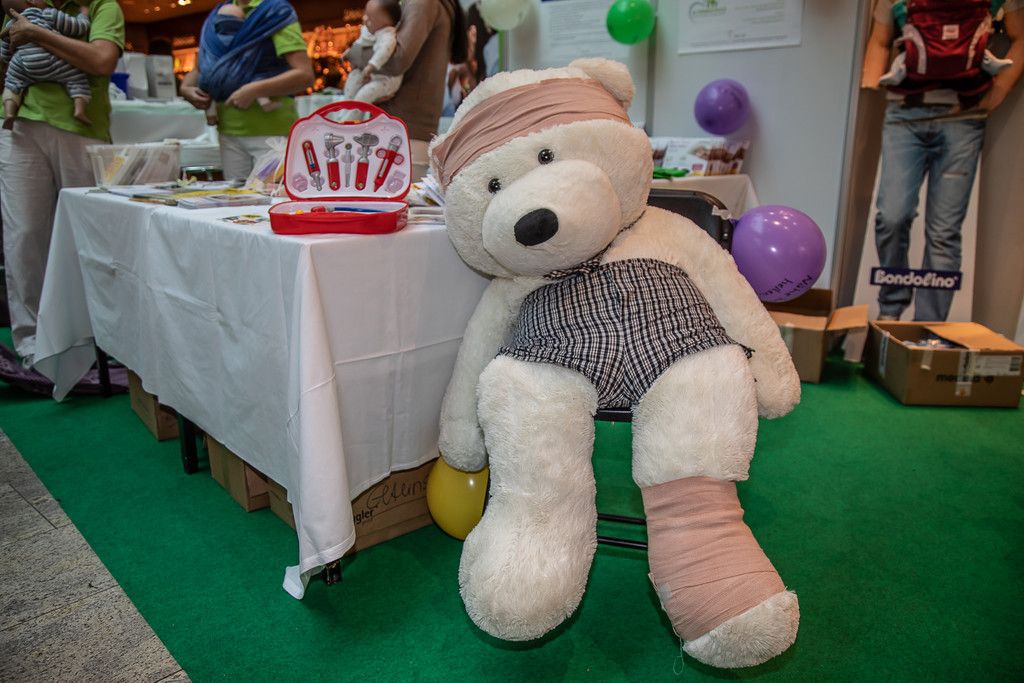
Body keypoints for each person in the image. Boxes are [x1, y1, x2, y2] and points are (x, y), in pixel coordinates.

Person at [862, 0, 1024, 322]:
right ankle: (891, 309)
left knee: (944, 231)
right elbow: (880, 40)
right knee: (892, 216)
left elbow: (1020, 36)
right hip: (905, 113)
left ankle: (928, 327)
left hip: (963, 117)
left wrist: (997, 93)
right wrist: (869, 88)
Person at [0, 0, 124, 366]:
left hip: (81, 129)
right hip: (19, 127)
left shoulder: (101, 5)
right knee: (23, 235)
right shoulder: (15, 7)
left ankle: (103, 337)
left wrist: (36, 33)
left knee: (90, 236)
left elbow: (101, 60)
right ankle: (32, 343)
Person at [180, 0, 313, 180]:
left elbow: (304, 75)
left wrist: (253, 90)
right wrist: (185, 88)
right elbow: (204, 65)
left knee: (272, 195)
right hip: (228, 132)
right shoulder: (218, 14)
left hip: (272, 134)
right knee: (234, 197)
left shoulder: (274, 12)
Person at [371, 0, 467, 180]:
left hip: (402, 127)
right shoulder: (435, 5)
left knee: (393, 194)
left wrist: (358, 54)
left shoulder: (422, 3)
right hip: (407, 127)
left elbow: (398, 58)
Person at [1, 0, 92, 129]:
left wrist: (12, 59)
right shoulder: (47, 13)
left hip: (24, 63)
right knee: (76, 76)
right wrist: (84, 15)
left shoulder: (11, 25)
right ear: (32, 1)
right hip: (50, 59)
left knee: (11, 83)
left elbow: (5, 54)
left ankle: (9, 113)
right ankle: (79, 109)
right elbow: (77, 27)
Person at [203, 1, 281, 126]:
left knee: (207, 88)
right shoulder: (242, 39)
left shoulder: (214, 40)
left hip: (217, 77)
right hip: (242, 74)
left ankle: (211, 115)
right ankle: (265, 102)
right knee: (256, 77)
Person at [341, 0, 402, 106]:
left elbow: (384, 51)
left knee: (363, 96)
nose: (365, 19)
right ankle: (346, 107)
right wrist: (349, 53)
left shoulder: (387, 35)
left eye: (371, 19)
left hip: (385, 79)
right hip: (371, 74)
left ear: (386, 24)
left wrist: (371, 66)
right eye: (365, 14)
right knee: (352, 81)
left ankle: (351, 114)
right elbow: (359, 44)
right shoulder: (369, 30)